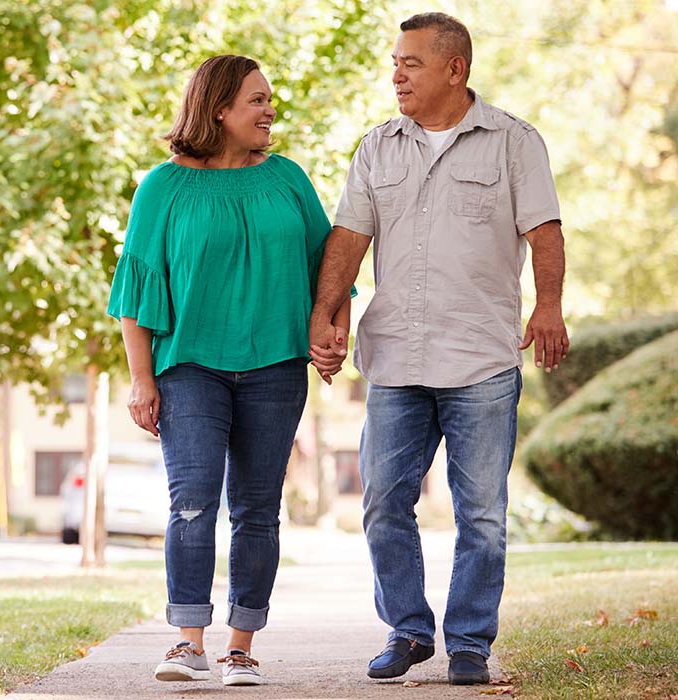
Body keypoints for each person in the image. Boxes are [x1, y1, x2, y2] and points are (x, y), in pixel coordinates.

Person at [307, 12, 568, 686]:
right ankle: (407, 631)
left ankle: (471, 642)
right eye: (396, 62)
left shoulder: (513, 142)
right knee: (382, 501)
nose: (397, 74)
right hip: (395, 358)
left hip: (480, 359)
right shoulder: (378, 147)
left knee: (481, 513)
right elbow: (348, 238)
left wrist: (547, 305)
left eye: (412, 62)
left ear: (455, 69)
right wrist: (326, 313)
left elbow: (544, 230)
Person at [107, 54, 351, 687]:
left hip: (274, 366)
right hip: (189, 367)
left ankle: (240, 647)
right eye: (257, 101)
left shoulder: (289, 180)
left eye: (270, 100)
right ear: (218, 110)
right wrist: (141, 380)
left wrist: (331, 333)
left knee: (257, 509)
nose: (270, 110)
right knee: (191, 503)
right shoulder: (163, 187)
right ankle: (188, 642)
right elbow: (137, 290)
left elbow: (330, 269)